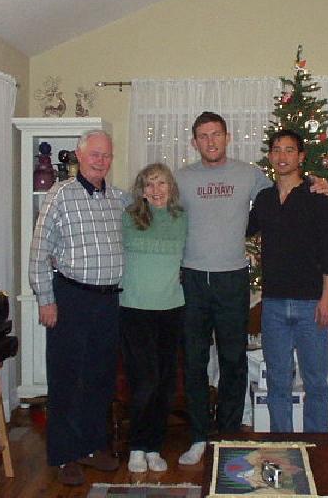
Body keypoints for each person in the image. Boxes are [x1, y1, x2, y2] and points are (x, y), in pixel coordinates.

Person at [175, 112, 328, 464]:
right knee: (195, 363)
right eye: (203, 136)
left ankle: (228, 434)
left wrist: (317, 184)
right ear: (194, 141)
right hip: (193, 279)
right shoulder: (181, 179)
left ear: (227, 137)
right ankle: (199, 436)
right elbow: (157, 211)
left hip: (233, 279)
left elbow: (287, 192)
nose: (210, 141)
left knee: (234, 362)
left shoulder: (251, 176)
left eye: (216, 134)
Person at [28, 130, 124, 486]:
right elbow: (39, 252)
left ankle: (93, 446)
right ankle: (66, 453)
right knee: (68, 377)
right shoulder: (60, 196)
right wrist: (45, 300)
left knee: (100, 378)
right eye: (95, 154)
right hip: (70, 299)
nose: (101, 160)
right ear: (80, 157)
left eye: (107, 155)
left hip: (109, 301)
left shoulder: (117, 198)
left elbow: (150, 210)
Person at [246, 129, 328, 432]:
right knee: (278, 382)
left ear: (300, 157)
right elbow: (240, 229)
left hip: (311, 304)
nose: (282, 156)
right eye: (276, 150)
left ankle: (318, 448)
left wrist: (327, 298)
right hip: (272, 304)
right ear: (270, 156)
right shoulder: (264, 199)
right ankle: (283, 446)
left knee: (315, 382)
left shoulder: (317, 197)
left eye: (289, 150)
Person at [119, 163, 187, 473]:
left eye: (161, 183)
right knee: (144, 382)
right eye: (149, 185)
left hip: (171, 310)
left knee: (164, 384)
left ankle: (154, 447)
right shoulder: (129, 218)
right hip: (134, 310)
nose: (156, 190)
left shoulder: (182, 219)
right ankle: (137, 446)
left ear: (170, 187)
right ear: (141, 191)